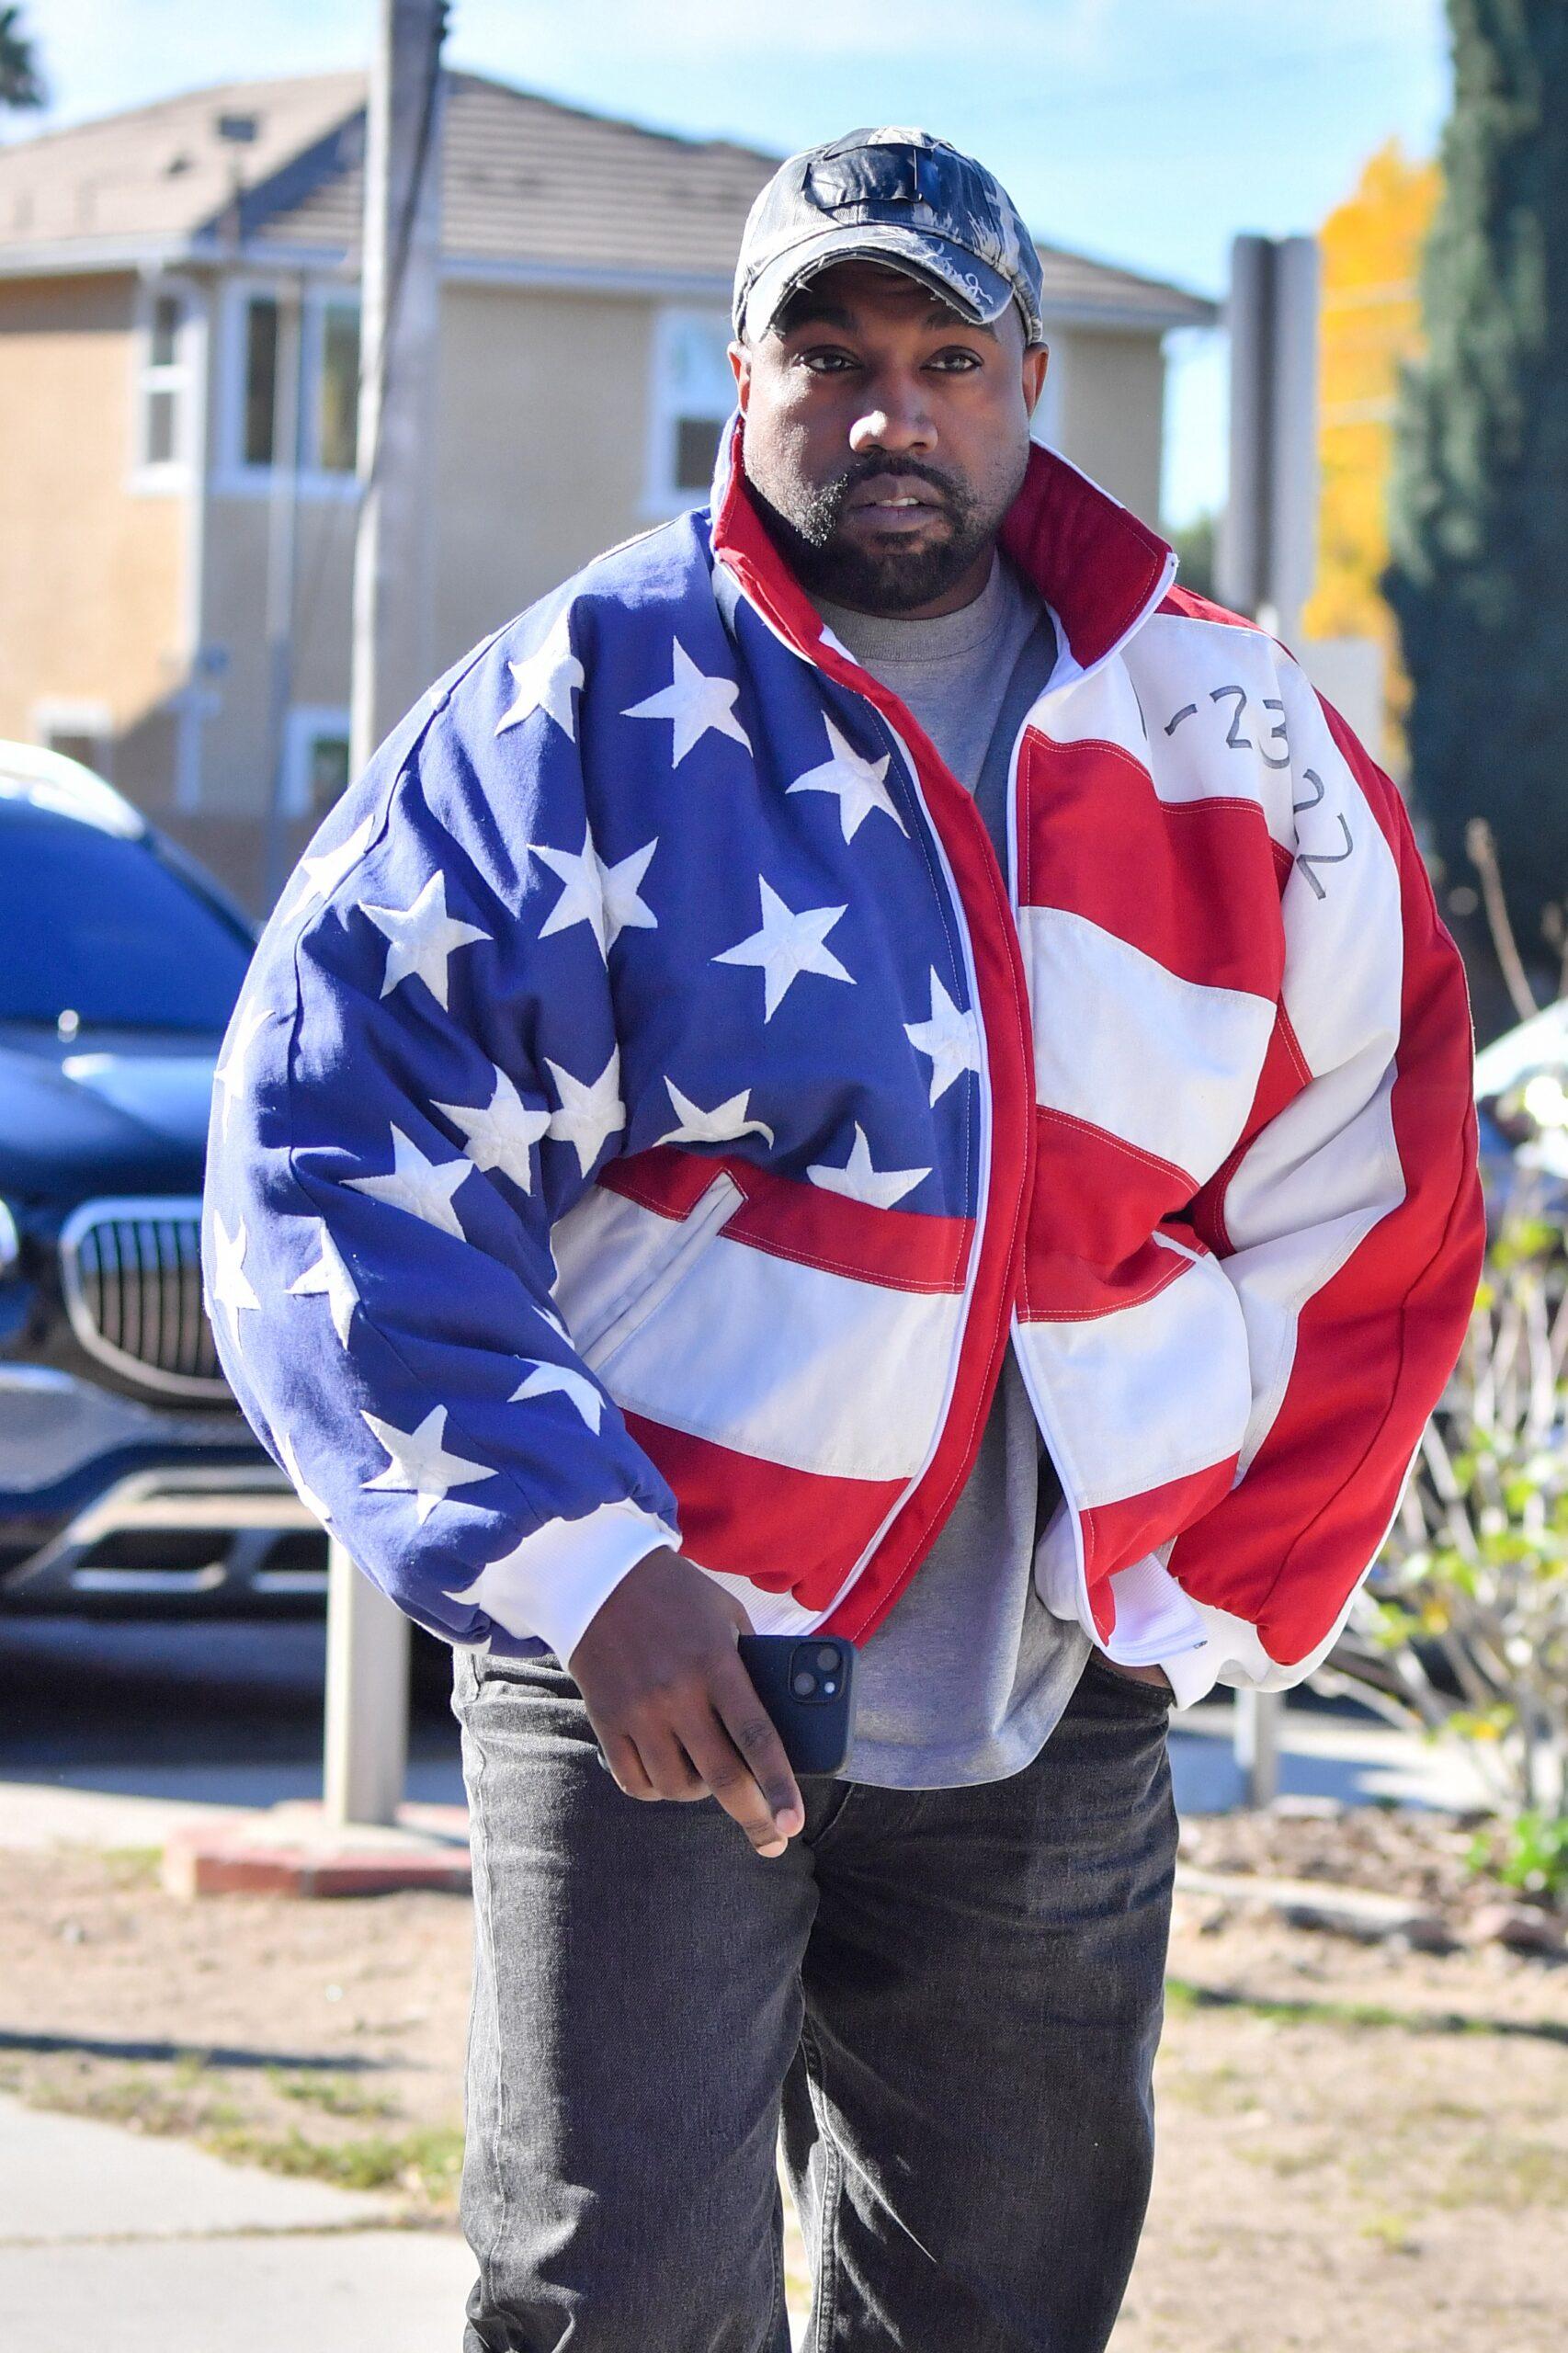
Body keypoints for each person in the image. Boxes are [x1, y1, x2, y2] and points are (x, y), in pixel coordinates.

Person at [204, 126, 1484, 2352]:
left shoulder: (1226, 734)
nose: (889, 409)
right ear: (737, 376)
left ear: (1029, 378)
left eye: (942, 356)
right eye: (829, 352)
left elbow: (1375, 1160)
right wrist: (584, 1570)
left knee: (997, 2311)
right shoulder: (575, 715)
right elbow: (335, 1136)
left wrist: (1199, 1574)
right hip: (663, 1669)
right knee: (615, 2303)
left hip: (1046, 1709)